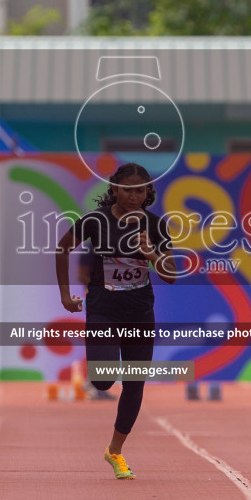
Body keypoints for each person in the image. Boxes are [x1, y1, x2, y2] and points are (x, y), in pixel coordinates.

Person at [56, 162, 179, 479]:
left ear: (148, 192)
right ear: (113, 190)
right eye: (127, 190)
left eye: (140, 191)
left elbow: (171, 276)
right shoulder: (96, 221)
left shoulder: (155, 224)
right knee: (102, 380)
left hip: (139, 310)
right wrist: (65, 295)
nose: (134, 196)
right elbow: (63, 248)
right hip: (103, 308)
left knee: (135, 385)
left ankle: (115, 451)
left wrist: (152, 255)